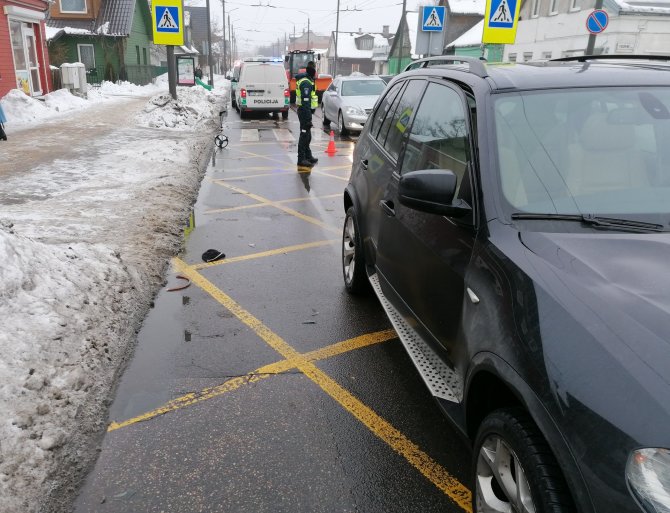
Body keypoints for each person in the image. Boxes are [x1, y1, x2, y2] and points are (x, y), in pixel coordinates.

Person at [295, 61, 319, 167]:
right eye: (315, 69)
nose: (316, 72)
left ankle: (308, 155)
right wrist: (308, 118)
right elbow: (305, 102)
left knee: (307, 135)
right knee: (304, 135)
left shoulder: (309, 80)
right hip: (304, 112)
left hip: (306, 111)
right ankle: (301, 159)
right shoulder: (306, 83)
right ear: (312, 70)